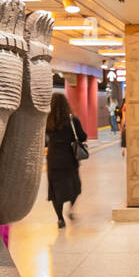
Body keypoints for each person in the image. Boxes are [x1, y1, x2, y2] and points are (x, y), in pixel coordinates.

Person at [45, 93, 87, 228]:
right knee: (74, 187)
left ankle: (60, 218)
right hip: (69, 159)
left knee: (56, 190)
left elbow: (44, 141)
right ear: (66, 105)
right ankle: (70, 209)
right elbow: (82, 137)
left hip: (53, 160)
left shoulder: (47, 121)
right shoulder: (72, 120)